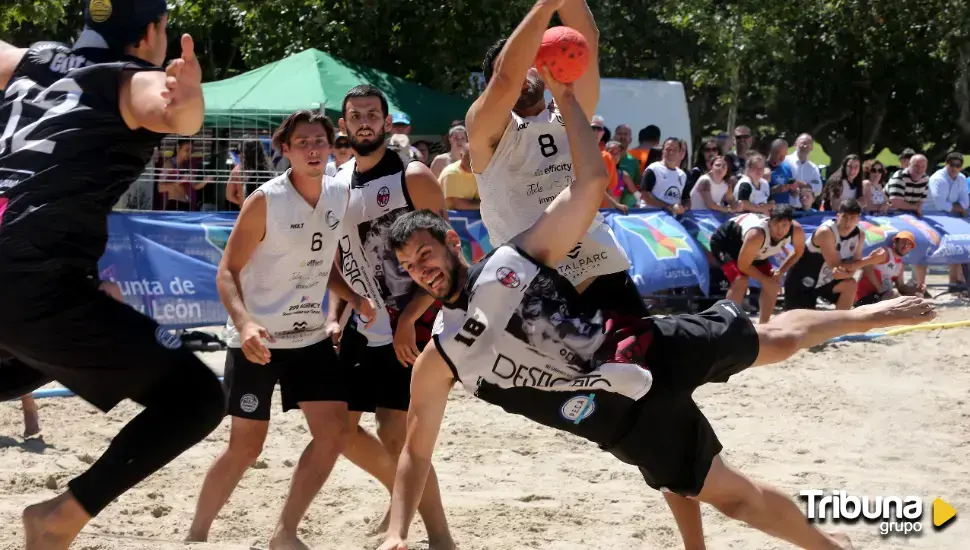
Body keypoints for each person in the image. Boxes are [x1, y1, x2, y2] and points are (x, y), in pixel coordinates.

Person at [376, 67, 936, 550]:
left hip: (649, 348)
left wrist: (566, 98)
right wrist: (399, 528)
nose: (420, 268)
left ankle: (871, 315)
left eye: (426, 252)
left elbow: (592, 182)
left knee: (779, 339)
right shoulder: (443, 355)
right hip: (625, 420)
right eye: (409, 264)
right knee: (734, 497)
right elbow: (414, 456)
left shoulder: (512, 260)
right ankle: (829, 544)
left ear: (452, 243)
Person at [0, 3, 227, 549]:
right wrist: (189, 98)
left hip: (28, 275)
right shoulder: (131, 80)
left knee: (35, 357)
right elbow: (173, 114)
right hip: (30, 276)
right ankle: (61, 516)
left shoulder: (27, 62)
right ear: (151, 34)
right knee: (196, 398)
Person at [186, 111, 369, 548]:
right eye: (302, 142)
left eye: (320, 141)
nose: (312, 149)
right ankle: (196, 535)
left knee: (334, 434)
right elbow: (227, 271)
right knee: (246, 450)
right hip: (258, 341)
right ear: (284, 150)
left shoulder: (338, 194)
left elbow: (323, 264)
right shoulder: (265, 200)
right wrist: (244, 323)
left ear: (330, 147)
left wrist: (355, 297)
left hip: (309, 338)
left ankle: (285, 531)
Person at [327, 85, 454, 547]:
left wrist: (409, 317)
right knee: (338, 429)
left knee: (398, 434)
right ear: (344, 125)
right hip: (363, 324)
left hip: (411, 320)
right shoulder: (335, 184)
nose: (364, 121)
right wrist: (337, 314)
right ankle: (399, 498)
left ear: (385, 122)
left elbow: (448, 260)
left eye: (372, 114)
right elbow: (338, 259)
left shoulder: (413, 176)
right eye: (355, 115)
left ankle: (440, 537)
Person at [466, 0, 641, 318]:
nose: (522, 72)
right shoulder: (486, 131)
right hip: (535, 289)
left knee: (648, 367)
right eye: (516, 63)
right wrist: (545, 7)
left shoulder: (570, 109)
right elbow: (506, 79)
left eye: (529, 61)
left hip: (602, 273)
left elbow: (587, 34)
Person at [783, 199, 887, 311]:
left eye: (852, 218)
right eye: (845, 217)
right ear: (838, 216)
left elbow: (854, 264)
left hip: (826, 280)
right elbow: (837, 267)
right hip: (803, 279)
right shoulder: (825, 232)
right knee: (799, 323)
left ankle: (840, 323)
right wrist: (870, 260)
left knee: (850, 285)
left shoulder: (859, 234)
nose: (848, 223)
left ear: (858, 219)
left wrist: (849, 272)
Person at [710, 206, 805, 324]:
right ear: (769, 222)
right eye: (776, 224)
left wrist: (780, 272)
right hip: (727, 242)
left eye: (784, 225)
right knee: (740, 280)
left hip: (754, 249)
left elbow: (799, 251)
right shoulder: (757, 234)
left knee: (773, 281)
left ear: (790, 224)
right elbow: (743, 266)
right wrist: (765, 280)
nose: (779, 230)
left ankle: (764, 325)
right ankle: (728, 324)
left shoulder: (796, 230)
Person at [855, 231, 925, 306]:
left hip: (882, 297)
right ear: (895, 242)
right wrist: (880, 288)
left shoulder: (900, 265)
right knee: (894, 294)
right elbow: (866, 266)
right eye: (903, 242)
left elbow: (901, 286)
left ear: (910, 248)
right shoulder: (884, 253)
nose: (905, 246)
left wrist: (917, 289)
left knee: (917, 296)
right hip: (866, 297)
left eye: (909, 244)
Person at [641, 137, 688, 215]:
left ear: (680, 153)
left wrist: (684, 208)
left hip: (671, 219)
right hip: (650, 217)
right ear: (663, 151)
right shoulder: (653, 169)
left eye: (675, 150)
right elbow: (645, 196)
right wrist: (668, 207)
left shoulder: (682, 175)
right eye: (668, 149)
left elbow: (686, 198)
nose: (671, 152)